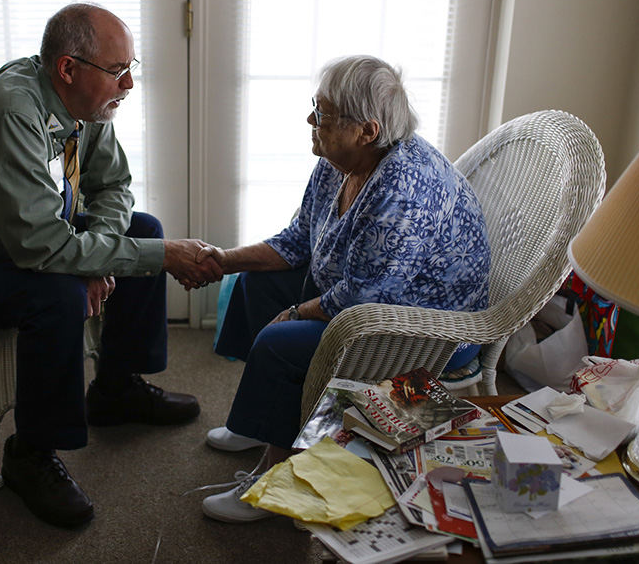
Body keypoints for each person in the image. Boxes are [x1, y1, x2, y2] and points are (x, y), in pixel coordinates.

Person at [0, 3, 222, 529]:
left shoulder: (87, 104)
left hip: (15, 235)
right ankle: (30, 454)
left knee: (145, 229)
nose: (130, 83)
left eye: (134, 66)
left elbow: (112, 186)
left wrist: (100, 250)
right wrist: (133, 260)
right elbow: (40, 248)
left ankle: (114, 389)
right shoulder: (10, 111)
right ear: (68, 68)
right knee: (60, 294)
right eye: (119, 70)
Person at [195, 55, 491, 523]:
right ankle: (264, 420)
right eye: (316, 106)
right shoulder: (339, 160)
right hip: (365, 292)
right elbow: (298, 241)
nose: (311, 120)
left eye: (325, 114)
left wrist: (296, 313)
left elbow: (368, 298)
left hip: (427, 327)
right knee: (255, 284)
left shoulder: (404, 187)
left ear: (367, 131)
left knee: (278, 342)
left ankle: (274, 481)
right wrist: (222, 260)